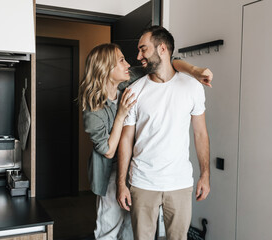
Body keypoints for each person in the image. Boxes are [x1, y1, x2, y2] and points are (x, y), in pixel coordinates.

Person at [79, 43, 212, 240]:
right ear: (106, 69)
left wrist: (195, 71)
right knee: (108, 228)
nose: (128, 63)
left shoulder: (128, 81)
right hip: (109, 170)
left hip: (136, 169)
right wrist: (121, 115)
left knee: (130, 230)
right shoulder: (92, 109)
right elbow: (107, 150)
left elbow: (169, 63)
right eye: (121, 60)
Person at [117, 26, 210, 240]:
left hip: (179, 183)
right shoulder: (134, 90)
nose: (139, 56)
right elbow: (126, 139)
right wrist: (121, 184)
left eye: (143, 50)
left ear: (162, 49)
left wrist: (205, 175)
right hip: (142, 183)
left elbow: (200, 134)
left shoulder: (193, 87)